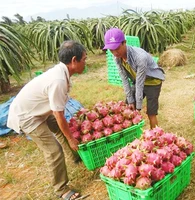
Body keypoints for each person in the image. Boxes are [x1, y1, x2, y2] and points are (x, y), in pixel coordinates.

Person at [7, 40, 87, 200]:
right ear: (73, 61)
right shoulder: (58, 80)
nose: (86, 62)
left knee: (61, 129)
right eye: (84, 59)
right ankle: (61, 190)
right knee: (53, 150)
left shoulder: (62, 72)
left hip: (39, 110)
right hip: (27, 117)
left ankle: (75, 157)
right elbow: (58, 115)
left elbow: (60, 111)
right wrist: (71, 139)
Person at [103, 28, 165, 129]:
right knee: (128, 105)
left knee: (151, 112)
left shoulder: (140, 57)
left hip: (153, 81)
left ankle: (155, 135)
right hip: (139, 80)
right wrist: (131, 101)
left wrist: (138, 107)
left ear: (124, 43)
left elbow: (140, 84)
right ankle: (133, 134)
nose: (114, 52)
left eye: (117, 48)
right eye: (111, 49)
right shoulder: (117, 57)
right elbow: (124, 79)